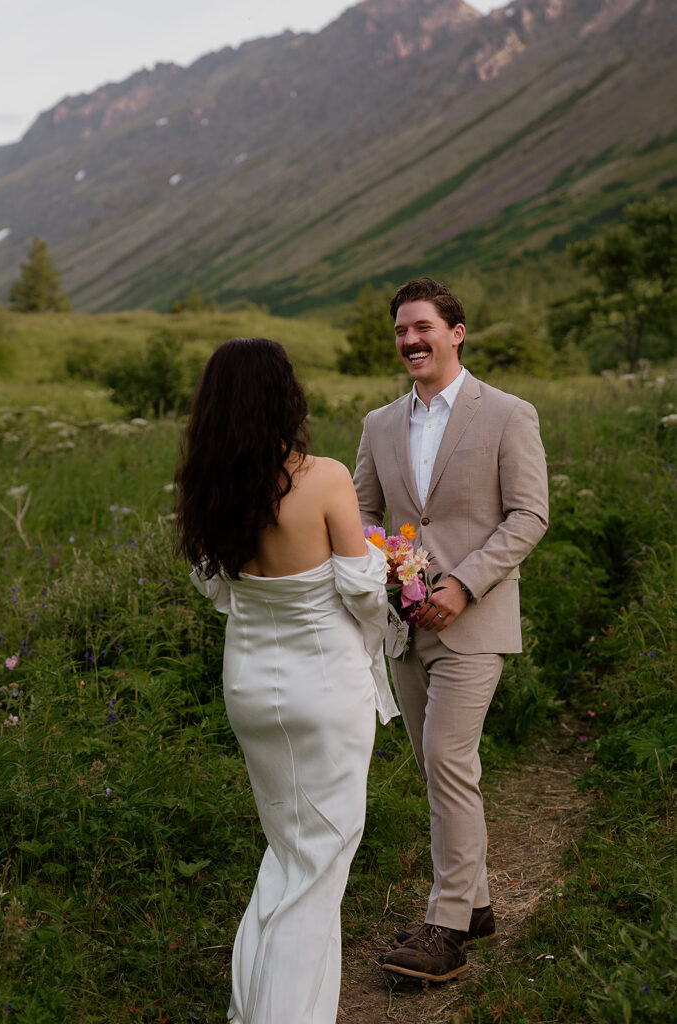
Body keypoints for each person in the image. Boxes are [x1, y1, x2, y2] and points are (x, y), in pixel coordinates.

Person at [175, 337, 398, 1024]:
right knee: (321, 861)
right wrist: (394, 585)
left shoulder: (207, 486)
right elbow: (362, 590)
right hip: (323, 686)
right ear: (284, 397)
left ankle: (254, 1008)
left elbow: (216, 589)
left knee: (287, 851)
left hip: (249, 682)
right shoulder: (325, 477)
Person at [353, 278, 549, 983]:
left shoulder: (506, 413)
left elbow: (528, 515)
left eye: (422, 328)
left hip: (476, 618)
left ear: (455, 332)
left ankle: (444, 931)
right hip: (404, 626)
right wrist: (392, 568)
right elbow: (361, 516)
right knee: (434, 766)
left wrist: (463, 584)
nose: (409, 340)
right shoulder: (377, 424)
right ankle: (479, 906)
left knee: (445, 759)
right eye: (400, 331)